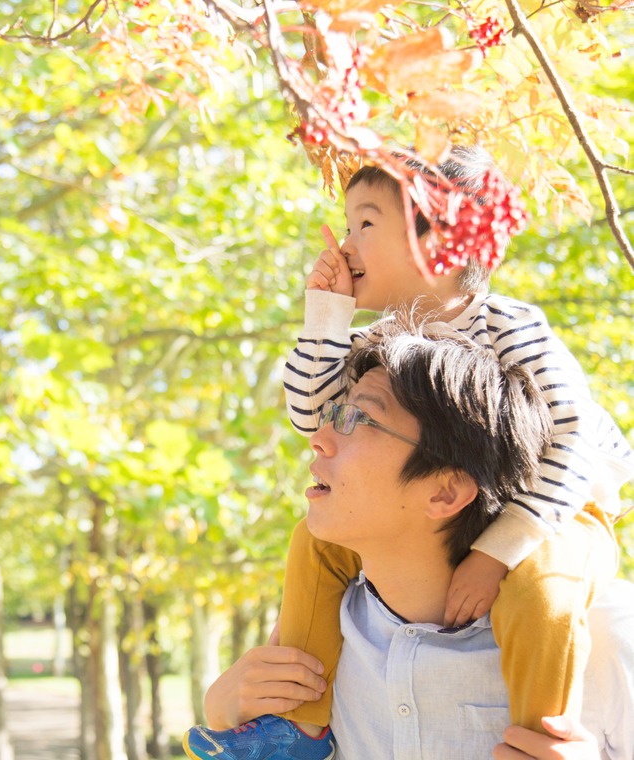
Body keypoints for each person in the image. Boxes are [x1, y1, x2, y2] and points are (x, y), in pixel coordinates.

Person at [183, 146, 634, 759]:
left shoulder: (512, 329)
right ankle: (296, 725)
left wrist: (497, 553)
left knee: (541, 591)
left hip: (561, 508)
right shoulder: (385, 344)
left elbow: (572, 444)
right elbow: (311, 413)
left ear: (444, 242)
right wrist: (327, 315)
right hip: (468, 519)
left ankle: (539, 734)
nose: (345, 244)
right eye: (346, 225)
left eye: (365, 224)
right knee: (311, 546)